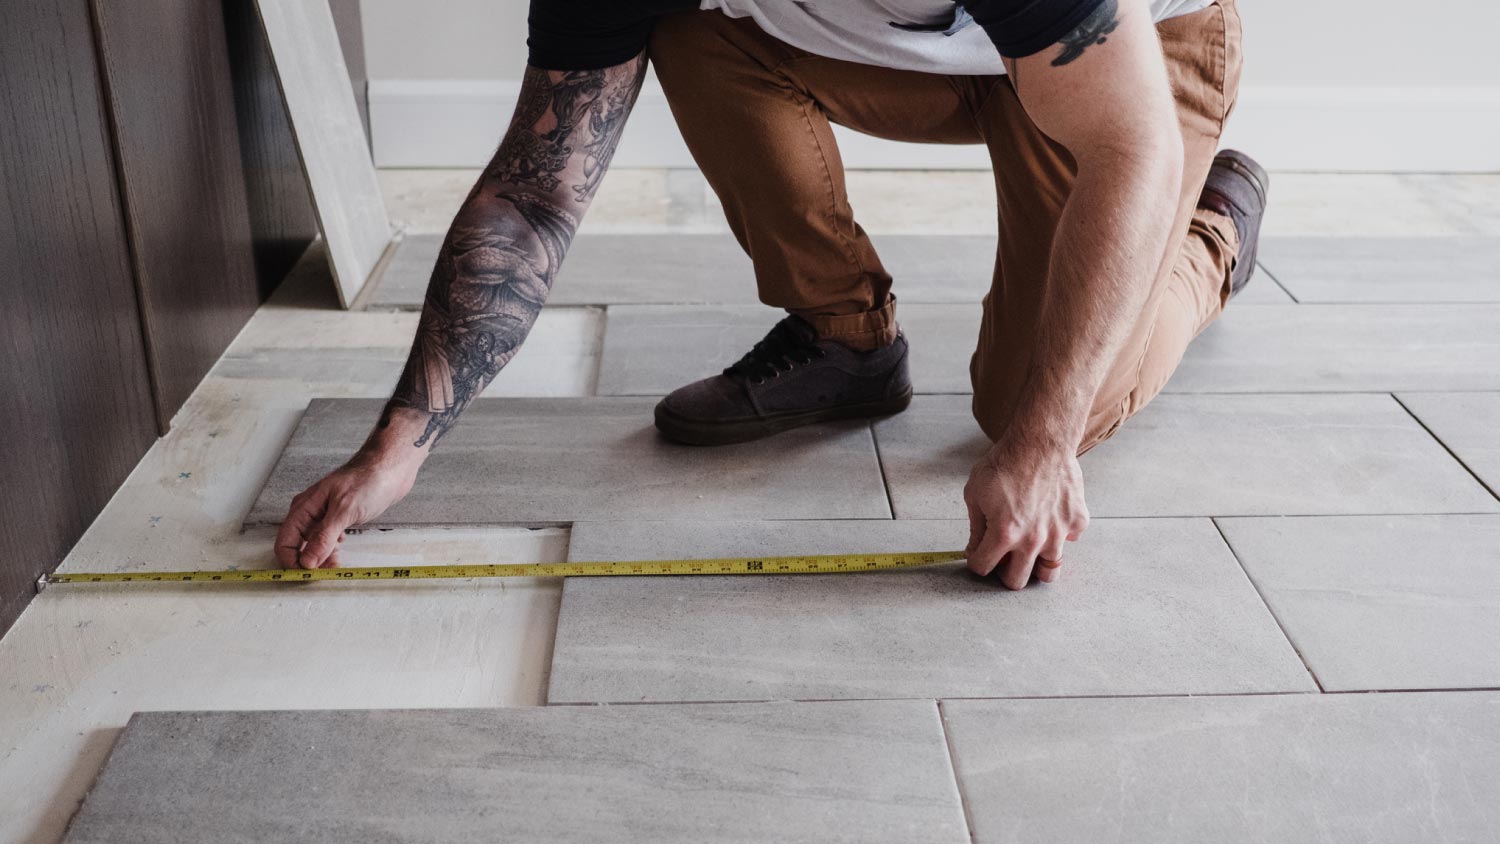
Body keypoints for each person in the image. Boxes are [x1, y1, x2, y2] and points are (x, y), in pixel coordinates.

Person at [275, 0, 1265, 590]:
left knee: (1036, 405)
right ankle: (847, 335)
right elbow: (535, 198)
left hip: (1128, 64)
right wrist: (397, 448)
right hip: (931, 49)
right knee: (694, 30)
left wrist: (1045, 447)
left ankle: (1212, 233)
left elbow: (1123, 145)